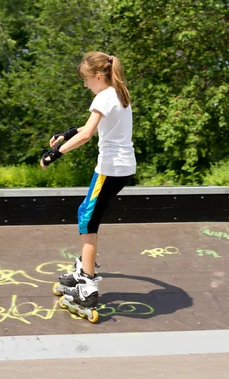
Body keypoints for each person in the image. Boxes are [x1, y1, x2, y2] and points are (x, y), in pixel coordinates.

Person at [40, 51, 136, 322]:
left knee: (88, 218)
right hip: (123, 167)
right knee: (88, 212)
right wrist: (66, 133)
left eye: (86, 80)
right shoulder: (119, 92)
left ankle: (87, 283)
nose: (85, 85)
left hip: (110, 168)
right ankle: (84, 267)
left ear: (98, 76)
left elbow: (87, 134)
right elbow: (90, 126)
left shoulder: (103, 96)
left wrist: (56, 152)